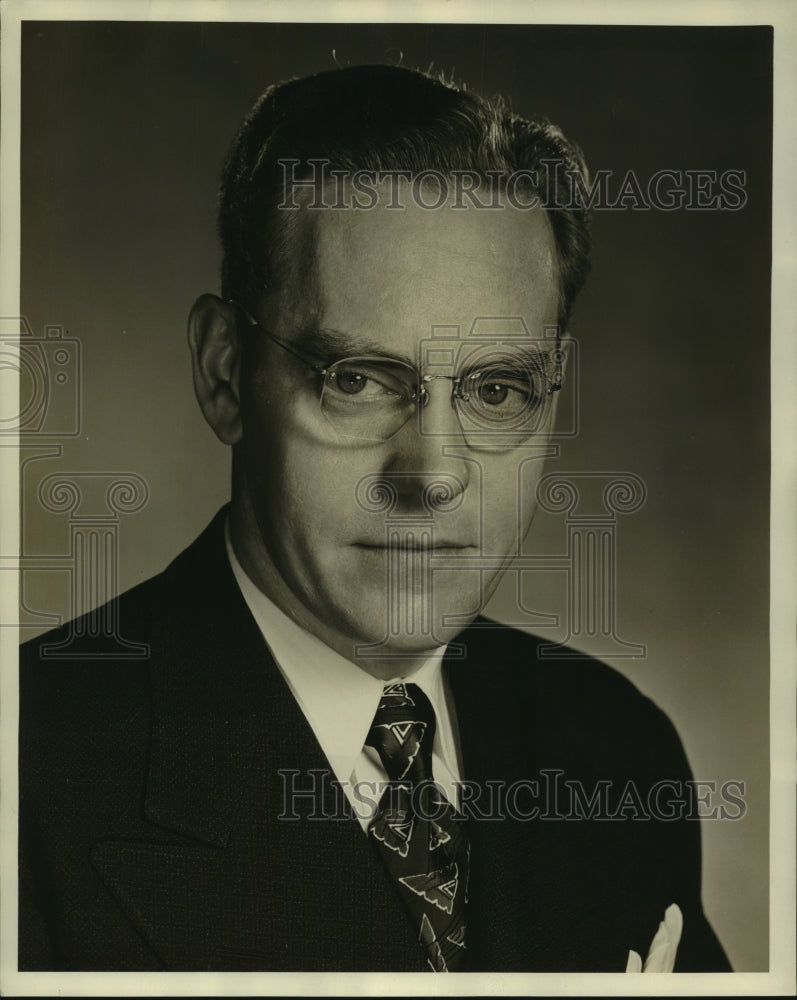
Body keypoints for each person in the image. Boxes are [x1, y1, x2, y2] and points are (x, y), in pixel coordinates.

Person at [18, 64, 731, 973]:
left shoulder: (610, 747)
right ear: (224, 373)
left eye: (497, 388)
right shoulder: (31, 772)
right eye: (356, 379)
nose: (432, 473)